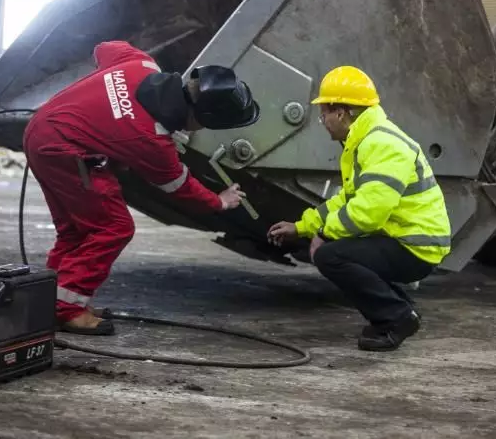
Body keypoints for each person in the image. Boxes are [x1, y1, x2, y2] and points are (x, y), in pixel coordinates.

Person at [23, 40, 260, 336]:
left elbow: (104, 48)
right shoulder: (152, 139)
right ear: (205, 120)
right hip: (63, 151)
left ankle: (55, 299)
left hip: (41, 128)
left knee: (77, 228)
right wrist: (219, 202)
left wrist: (103, 101)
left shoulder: (141, 64)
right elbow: (180, 187)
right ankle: (67, 310)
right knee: (113, 227)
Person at [267, 66, 451, 351]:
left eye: (324, 113)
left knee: (331, 256)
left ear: (341, 113)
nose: (322, 120)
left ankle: (396, 319)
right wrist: (302, 227)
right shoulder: (365, 140)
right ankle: (402, 308)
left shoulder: (381, 144)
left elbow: (368, 212)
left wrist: (324, 235)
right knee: (337, 250)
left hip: (415, 246)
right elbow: (348, 200)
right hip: (402, 238)